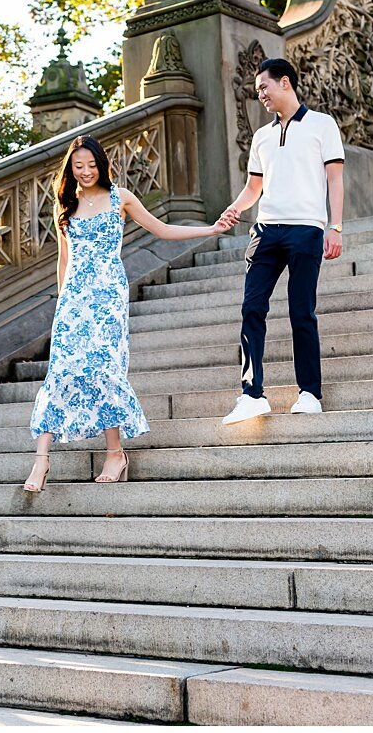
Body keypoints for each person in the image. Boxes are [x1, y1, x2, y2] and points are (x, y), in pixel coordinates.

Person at [23, 135, 232, 492]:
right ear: (70, 170)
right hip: (74, 301)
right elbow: (64, 261)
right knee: (60, 370)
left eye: (91, 165)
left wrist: (210, 228)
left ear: (101, 165)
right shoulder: (66, 207)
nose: (86, 172)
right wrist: (62, 306)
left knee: (104, 369)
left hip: (107, 297)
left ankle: (115, 453)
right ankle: (41, 460)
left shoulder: (122, 198)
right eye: (78, 166)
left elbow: (162, 229)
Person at [218, 58, 345, 425]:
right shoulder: (262, 136)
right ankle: (251, 394)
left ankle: (310, 392)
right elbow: (254, 187)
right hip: (266, 232)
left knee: (300, 311)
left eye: (263, 88)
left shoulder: (322, 125)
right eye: (258, 91)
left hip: (306, 229)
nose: (260, 95)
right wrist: (235, 209)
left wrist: (334, 227)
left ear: (284, 82)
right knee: (251, 308)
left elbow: (334, 180)